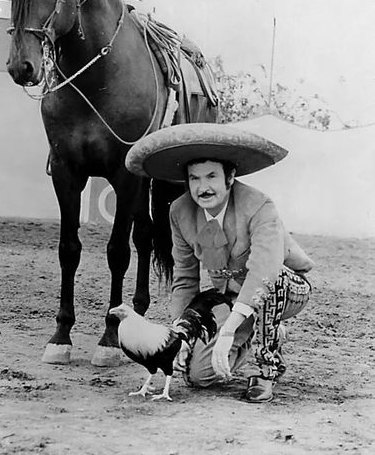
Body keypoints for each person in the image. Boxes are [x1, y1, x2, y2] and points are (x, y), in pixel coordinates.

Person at [125, 123, 314, 403]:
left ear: (230, 177)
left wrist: (227, 330)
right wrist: (183, 335)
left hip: (285, 287)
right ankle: (250, 334)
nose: (203, 187)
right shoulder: (180, 211)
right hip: (231, 294)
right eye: (194, 178)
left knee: (270, 284)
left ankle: (267, 370)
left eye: (211, 176)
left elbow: (265, 270)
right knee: (198, 376)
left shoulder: (259, 205)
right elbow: (185, 278)